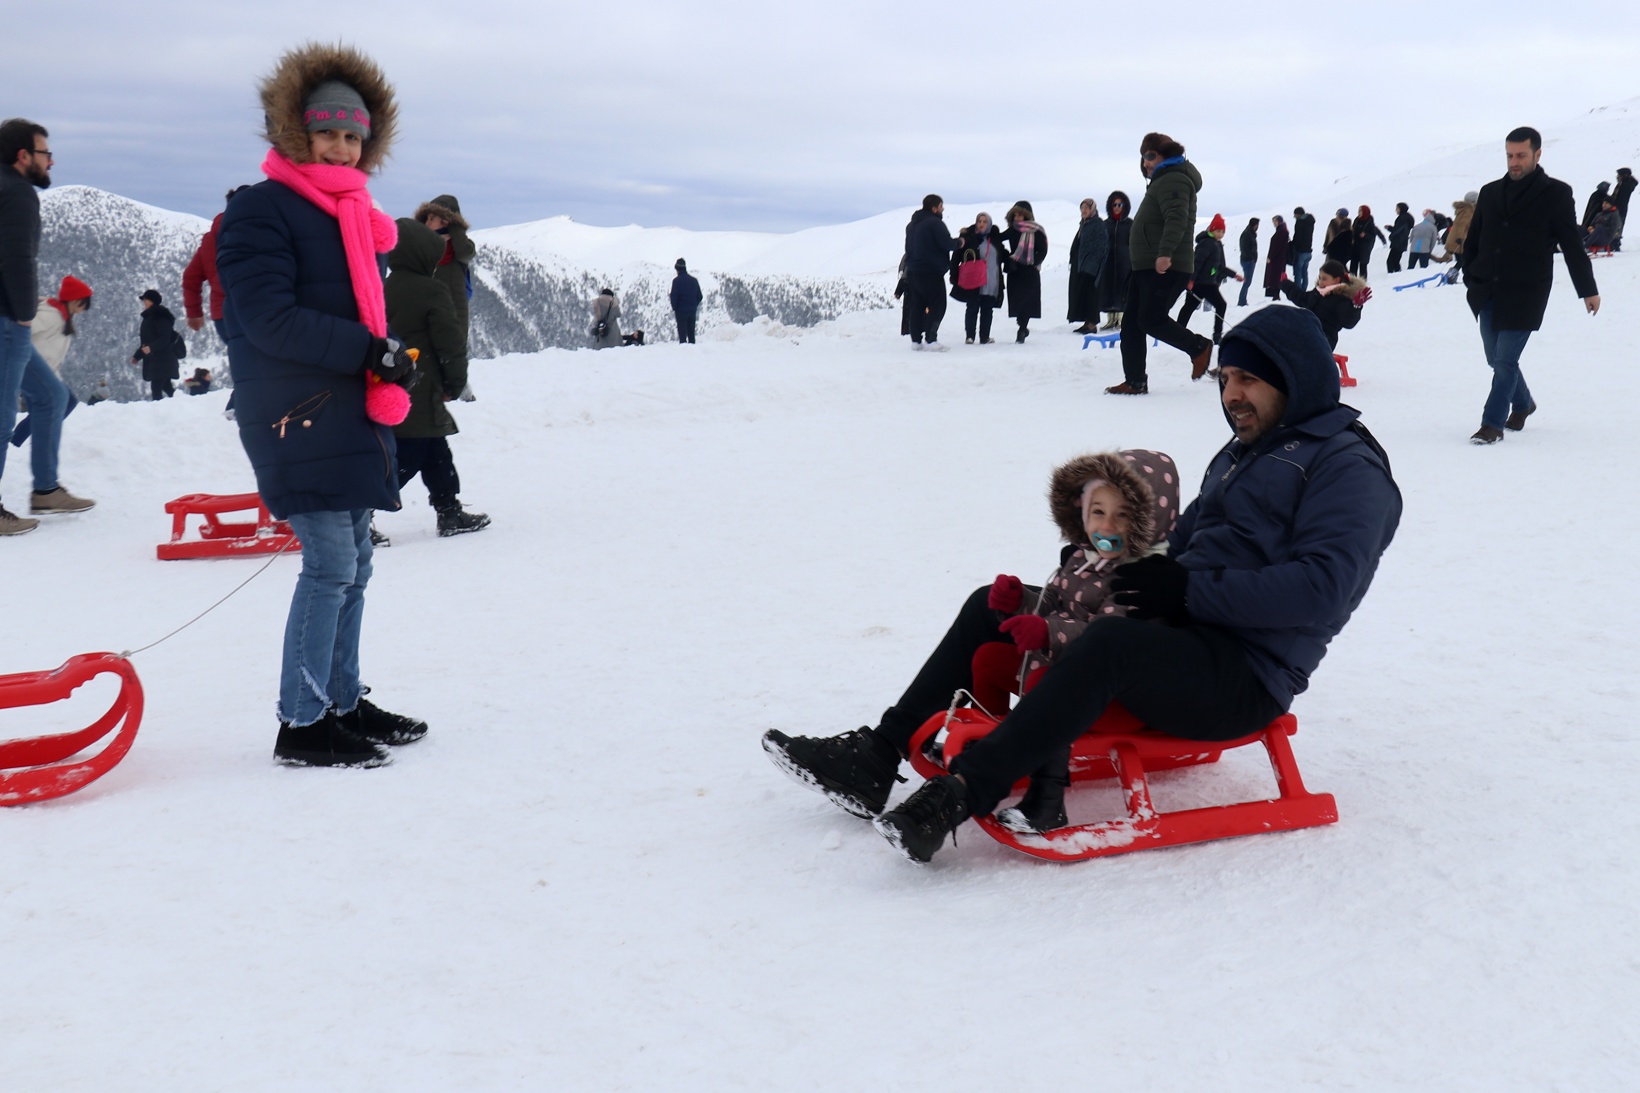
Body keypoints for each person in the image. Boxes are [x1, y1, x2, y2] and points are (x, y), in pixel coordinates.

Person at [763, 304, 1402, 863]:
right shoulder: (1247, 450)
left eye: (1249, 380)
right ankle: (876, 757)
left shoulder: (1349, 468)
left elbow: (1323, 588)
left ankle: (958, 797)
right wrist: (1104, 571)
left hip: (1244, 673)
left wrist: (1184, 594)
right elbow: (1182, 546)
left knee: (1110, 647)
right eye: (1226, 378)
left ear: (1298, 381)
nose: (1232, 394)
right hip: (1180, 628)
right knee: (995, 606)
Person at [215, 42, 428, 768]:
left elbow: (352, 311)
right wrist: (368, 352)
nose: (340, 146)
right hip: (294, 410)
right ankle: (301, 724)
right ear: (295, 132)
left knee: (356, 562)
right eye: (328, 131)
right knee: (332, 563)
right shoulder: (261, 212)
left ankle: (341, 700)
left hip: (347, 406)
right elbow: (268, 319)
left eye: (353, 135)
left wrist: (383, 350)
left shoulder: (352, 214)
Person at [961, 450, 1181, 834]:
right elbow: (1057, 604)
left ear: (1149, 521)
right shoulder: (1081, 557)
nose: (1106, 524)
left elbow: (1105, 638)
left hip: (1116, 695)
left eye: (1123, 515)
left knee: (1042, 683)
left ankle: (1048, 801)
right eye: (1098, 511)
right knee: (987, 659)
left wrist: (1047, 633)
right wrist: (1020, 604)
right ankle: (995, 751)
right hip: (1061, 665)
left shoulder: (1145, 579)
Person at [1463, 125, 1599, 444]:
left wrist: (1588, 289)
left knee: (1506, 359)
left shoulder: (1556, 193)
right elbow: (1474, 239)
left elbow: (1571, 243)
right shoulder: (1490, 192)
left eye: (1521, 155)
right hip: (1487, 288)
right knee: (1494, 358)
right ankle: (1523, 403)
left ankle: (1492, 424)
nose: (1514, 162)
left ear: (1538, 154)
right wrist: (1470, 272)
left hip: (1526, 292)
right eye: (1510, 155)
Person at [1, 118, 95, 535]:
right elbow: (17, 258)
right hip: (6, 320)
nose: (50, 161)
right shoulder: (18, 193)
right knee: (3, 417)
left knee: (52, 395)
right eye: (45, 153)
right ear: (24, 156)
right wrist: (24, 312)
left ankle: (45, 490)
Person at [385, 216, 490, 537]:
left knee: (435, 450)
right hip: (422, 387)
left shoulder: (382, 286)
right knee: (411, 454)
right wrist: (455, 384)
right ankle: (357, 514)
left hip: (390, 387)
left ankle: (449, 511)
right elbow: (451, 344)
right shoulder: (432, 290)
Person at [1105, 133, 1213, 395]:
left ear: (1166, 153)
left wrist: (1165, 253)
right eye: (1143, 157)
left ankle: (1198, 347)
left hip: (1166, 265)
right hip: (1147, 266)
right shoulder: (1161, 181)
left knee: (1151, 320)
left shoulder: (1174, 179)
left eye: (1151, 156)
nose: (1146, 163)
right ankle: (1135, 381)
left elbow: (1177, 219)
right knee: (1131, 326)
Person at [10, 276, 98, 520]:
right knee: (56, 400)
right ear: (74, 301)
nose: (82, 311)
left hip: (40, 372)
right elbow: (20, 333)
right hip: (24, 363)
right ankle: (45, 487)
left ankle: (22, 439)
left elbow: (51, 358)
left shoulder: (61, 316)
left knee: (65, 399)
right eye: (82, 305)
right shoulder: (50, 314)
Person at [183, 188, 245, 341]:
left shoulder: (210, 240)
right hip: (253, 311)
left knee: (240, 358)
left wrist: (194, 313)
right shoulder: (258, 232)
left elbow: (190, 277)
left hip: (222, 316)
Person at [413, 194, 474, 340]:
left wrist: (456, 226)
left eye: (432, 218)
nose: (427, 223)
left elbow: (465, 252)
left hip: (453, 315)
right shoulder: (422, 247)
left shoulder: (457, 248)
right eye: (427, 218)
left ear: (446, 222)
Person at [1176, 213, 1241, 345]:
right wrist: (1191, 280)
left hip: (1205, 282)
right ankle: (1217, 336)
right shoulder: (1207, 243)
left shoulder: (1216, 244)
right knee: (1220, 305)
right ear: (1212, 230)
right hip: (1203, 283)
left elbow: (1220, 266)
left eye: (1223, 231)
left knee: (1189, 307)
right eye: (1218, 231)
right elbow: (1197, 262)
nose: (1221, 234)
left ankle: (1176, 332)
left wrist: (1234, 275)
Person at [903, 194, 958, 351]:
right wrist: (960, 242)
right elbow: (947, 243)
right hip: (931, 270)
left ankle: (916, 340)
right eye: (941, 206)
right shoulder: (935, 223)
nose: (942, 209)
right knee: (938, 304)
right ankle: (931, 339)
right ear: (934, 208)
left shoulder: (911, 225)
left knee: (917, 305)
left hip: (913, 270)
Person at [1277, 259, 1370, 348]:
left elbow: (1348, 321)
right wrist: (1286, 284)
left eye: (1324, 279)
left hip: (1324, 339)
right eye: (1320, 278)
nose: (1320, 282)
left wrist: (1355, 307)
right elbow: (1302, 298)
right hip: (1308, 332)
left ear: (1336, 280)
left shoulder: (1341, 299)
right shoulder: (1319, 292)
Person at [950, 211, 1006, 344]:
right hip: (973, 280)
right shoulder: (968, 237)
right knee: (972, 307)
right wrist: (954, 274)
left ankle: (984, 337)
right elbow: (956, 257)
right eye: (979, 221)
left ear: (989, 224)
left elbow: (1002, 255)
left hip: (991, 280)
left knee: (987, 309)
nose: (981, 224)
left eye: (984, 221)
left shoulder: (994, 239)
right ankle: (970, 336)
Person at [1001, 201, 1046, 343]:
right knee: (1017, 301)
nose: (1017, 217)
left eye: (1020, 214)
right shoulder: (1012, 230)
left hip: (1029, 272)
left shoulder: (1036, 230)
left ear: (1027, 215)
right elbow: (998, 238)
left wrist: (1032, 262)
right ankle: (1022, 326)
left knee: (1027, 302)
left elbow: (1043, 250)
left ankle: (1022, 329)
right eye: (1015, 214)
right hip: (1015, 271)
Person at [130, 289, 181, 399]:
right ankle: (181, 405)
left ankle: (158, 412)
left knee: (156, 388)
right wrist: (137, 356)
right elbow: (146, 343)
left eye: (145, 299)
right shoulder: (149, 317)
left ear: (152, 301)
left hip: (162, 360)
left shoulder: (159, 316)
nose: (143, 302)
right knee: (166, 387)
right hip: (157, 360)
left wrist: (151, 348)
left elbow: (165, 337)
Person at [1066, 199, 1107, 334]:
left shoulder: (1098, 224)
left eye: (1087, 208)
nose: (1084, 210)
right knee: (1083, 293)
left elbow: (1102, 246)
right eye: (1082, 208)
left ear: (1093, 210)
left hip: (1092, 267)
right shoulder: (1084, 224)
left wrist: (1092, 263)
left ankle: (1092, 325)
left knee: (1091, 294)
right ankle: (1087, 322)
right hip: (1081, 266)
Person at [1099, 191, 1132, 329]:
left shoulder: (1130, 224)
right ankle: (1111, 319)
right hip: (1108, 262)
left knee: (1123, 289)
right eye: (1114, 204)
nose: (1117, 207)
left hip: (1125, 261)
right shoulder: (1105, 224)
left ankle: (1121, 319)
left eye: (1120, 204)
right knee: (1108, 288)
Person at [1435, 192, 1476, 282]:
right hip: (1460, 240)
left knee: (1463, 260)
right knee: (1465, 260)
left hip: (1455, 239)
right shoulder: (1469, 210)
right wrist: (1460, 238)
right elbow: (1463, 224)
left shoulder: (1463, 209)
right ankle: (1452, 276)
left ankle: (1454, 276)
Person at [669, 258, 702, 343]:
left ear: (677, 269)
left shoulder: (676, 281)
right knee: (691, 336)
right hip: (692, 311)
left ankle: (684, 354)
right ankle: (693, 353)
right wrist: (694, 305)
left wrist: (675, 308)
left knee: (682, 337)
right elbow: (700, 296)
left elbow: (673, 297)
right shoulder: (694, 281)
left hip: (681, 312)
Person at [1350, 206, 1386, 277]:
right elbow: (1353, 229)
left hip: (1365, 247)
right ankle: (1351, 281)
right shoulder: (1357, 219)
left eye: (1360, 211)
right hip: (1356, 245)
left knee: (1363, 264)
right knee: (1353, 263)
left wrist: (1365, 235)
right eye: (1359, 211)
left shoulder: (1369, 222)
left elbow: (1373, 235)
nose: (1359, 212)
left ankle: (1363, 282)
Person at [1262, 213, 1289, 300]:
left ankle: (1275, 295)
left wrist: (1271, 256)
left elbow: (1276, 246)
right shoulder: (1282, 230)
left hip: (1277, 259)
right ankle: (1275, 295)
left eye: (1275, 221)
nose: (1274, 223)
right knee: (1276, 277)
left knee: (1275, 277)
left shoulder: (1281, 232)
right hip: (1279, 259)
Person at [1289, 207, 1316, 290]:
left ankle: (1298, 292)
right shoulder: (1310, 221)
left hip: (1300, 251)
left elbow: (1298, 237)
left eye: (1295, 215)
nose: (1295, 217)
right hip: (1308, 251)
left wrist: (1292, 244)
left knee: (1298, 273)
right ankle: (1304, 291)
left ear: (1298, 214)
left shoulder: (1300, 222)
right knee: (1304, 273)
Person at [1385, 203, 1414, 273]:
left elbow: (1398, 230)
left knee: (1390, 262)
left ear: (1401, 209)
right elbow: (1400, 229)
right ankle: (1398, 276)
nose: (1396, 210)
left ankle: (1392, 276)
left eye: (1397, 208)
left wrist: (1391, 234)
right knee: (1396, 261)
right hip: (1402, 242)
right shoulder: (1407, 218)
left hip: (1397, 243)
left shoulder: (1402, 218)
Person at [1237, 217, 1259, 306]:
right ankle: (1241, 301)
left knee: (1248, 282)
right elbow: (1244, 248)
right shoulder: (1247, 234)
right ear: (1255, 225)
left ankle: (1243, 300)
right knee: (1247, 282)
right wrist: (1251, 257)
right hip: (1247, 261)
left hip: (1248, 260)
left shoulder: (1250, 233)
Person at [1613, 167, 1636, 250]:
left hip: (1619, 209)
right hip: (1620, 208)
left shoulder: (1625, 185)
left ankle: (1615, 243)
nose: (1617, 177)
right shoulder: (1624, 184)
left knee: (1617, 225)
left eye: (1619, 175)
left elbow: (1619, 199)